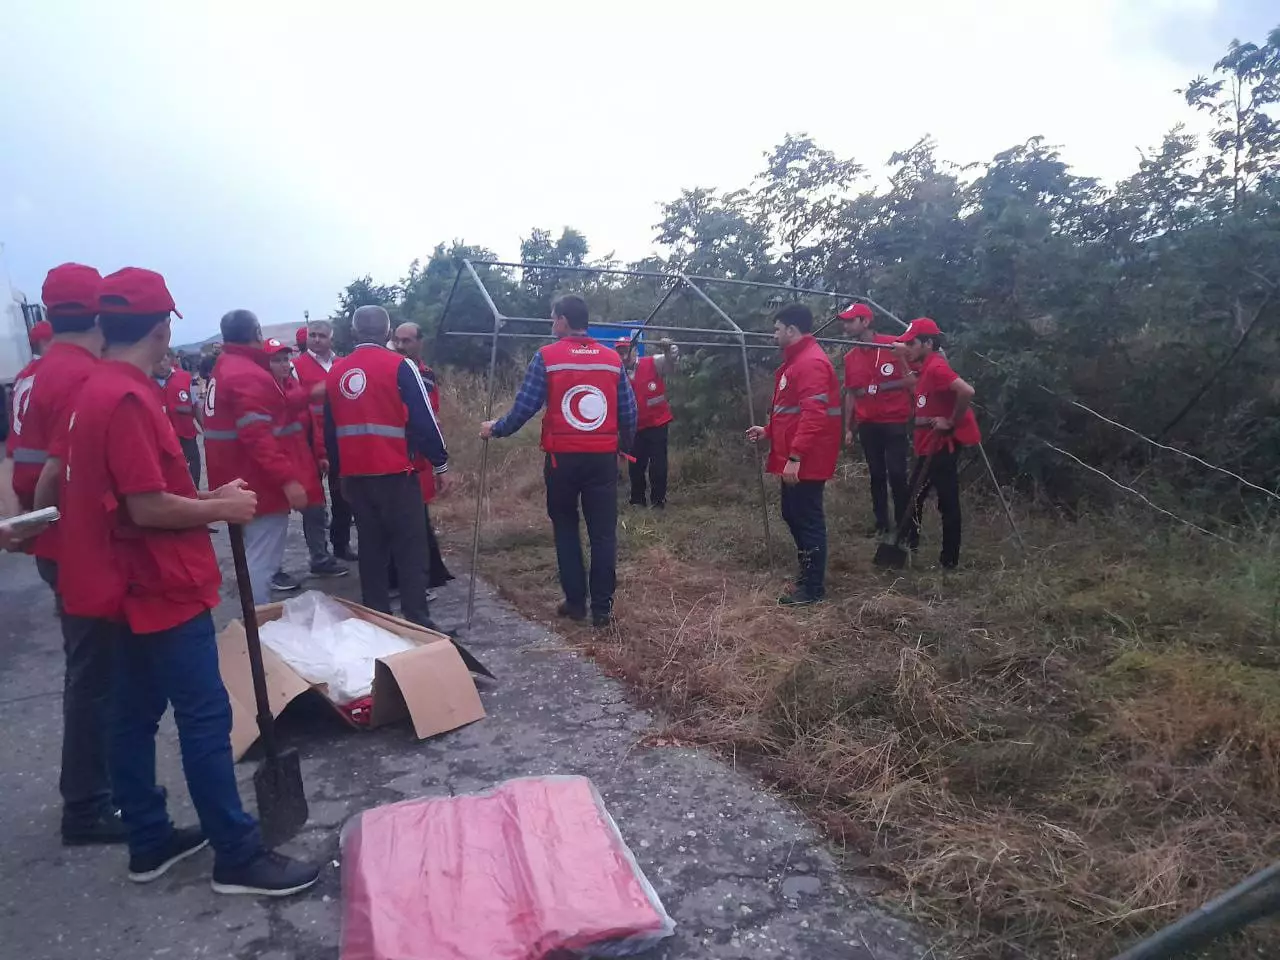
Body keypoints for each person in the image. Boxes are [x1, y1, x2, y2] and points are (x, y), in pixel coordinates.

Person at [58, 266, 318, 895]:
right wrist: (218, 509)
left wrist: (205, 494)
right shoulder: (126, 397)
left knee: (134, 714)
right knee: (204, 717)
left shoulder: (96, 389)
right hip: (158, 586)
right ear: (160, 325)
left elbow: (137, 493)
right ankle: (237, 854)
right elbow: (146, 508)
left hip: (122, 586)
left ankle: (149, 841)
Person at [13, 263, 125, 845]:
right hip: (80, 546)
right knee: (96, 675)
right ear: (101, 313)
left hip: (50, 543)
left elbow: (24, 467)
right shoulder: (85, 378)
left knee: (90, 668)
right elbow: (56, 472)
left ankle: (94, 793)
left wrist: (25, 528)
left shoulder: (34, 374)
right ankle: (87, 805)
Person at [481, 294, 637, 628]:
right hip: (602, 460)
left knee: (566, 528)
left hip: (562, 461)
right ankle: (603, 610)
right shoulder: (612, 360)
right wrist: (623, 449)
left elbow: (525, 406)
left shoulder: (547, 357)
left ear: (564, 320)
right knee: (603, 534)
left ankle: (576, 603)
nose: (552, 324)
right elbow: (629, 413)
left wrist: (496, 429)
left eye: (553, 318)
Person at [325, 306, 450, 627]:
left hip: (355, 476)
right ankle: (417, 622)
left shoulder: (337, 372)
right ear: (387, 332)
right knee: (410, 550)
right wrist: (440, 463)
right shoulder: (401, 366)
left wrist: (340, 476)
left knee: (371, 549)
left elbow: (330, 429)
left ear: (353, 333)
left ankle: (378, 621)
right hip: (396, 473)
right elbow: (424, 420)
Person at [204, 310, 309, 604]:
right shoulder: (247, 374)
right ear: (258, 333)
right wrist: (288, 480)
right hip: (257, 484)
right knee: (262, 561)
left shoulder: (225, 366)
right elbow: (259, 436)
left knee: (252, 554)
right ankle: (259, 628)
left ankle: (255, 623)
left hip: (235, 478)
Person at [746, 304, 841, 605]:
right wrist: (769, 430)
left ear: (791, 330)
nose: (773, 335)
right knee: (793, 513)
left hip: (807, 458)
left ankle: (812, 589)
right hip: (795, 454)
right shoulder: (796, 362)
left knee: (807, 517)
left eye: (776, 329)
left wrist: (796, 457)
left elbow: (814, 415)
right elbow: (791, 411)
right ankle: (807, 576)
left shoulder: (810, 363)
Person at [893, 318, 980, 569]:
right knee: (914, 495)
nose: (908, 347)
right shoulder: (926, 367)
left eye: (912, 342)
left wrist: (951, 421)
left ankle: (948, 561)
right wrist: (901, 357)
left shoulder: (936, 368)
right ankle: (911, 546)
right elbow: (912, 384)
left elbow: (967, 391)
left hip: (942, 445)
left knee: (946, 501)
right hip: (928, 443)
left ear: (928, 343)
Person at [265, 338, 346, 580]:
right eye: (276, 360)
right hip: (275, 465)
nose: (283, 365)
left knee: (317, 511)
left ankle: (319, 558)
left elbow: (312, 426)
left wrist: (320, 454)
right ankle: (272, 570)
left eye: (285, 359)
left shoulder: (292, 386)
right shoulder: (264, 394)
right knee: (272, 520)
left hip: (303, 462)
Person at [839, 302, 913, 536]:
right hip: (868, 423)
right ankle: (882, 524)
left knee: (898, 474)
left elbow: (914, 379)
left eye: (851, 320)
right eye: (845, 321)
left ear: (865, 322)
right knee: (877, 475)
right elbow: (851, 393)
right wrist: (848, 428)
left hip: (894, 421)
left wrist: (880, 387)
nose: (846, 325)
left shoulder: (893, 346)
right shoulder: (851, 357)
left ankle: (905, 525)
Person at [392, 320, 453, 589]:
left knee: (419, 510)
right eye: (398, 341)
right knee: (406, 514)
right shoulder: (390, 370)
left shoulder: (427, 374)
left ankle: (428, 569)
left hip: (420, 453)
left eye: (408, 341)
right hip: (396, 453)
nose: (402, 346)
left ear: (420, 342)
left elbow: (431, 412)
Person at [293, 319, 355, 562]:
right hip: (310, 437)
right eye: (312, 335)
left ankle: (342, 543)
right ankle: (319, 553)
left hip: (342, 435)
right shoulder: (296, 366)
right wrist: (313, 392)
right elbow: (292, 400)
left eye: (321, 336)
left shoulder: (343, 364)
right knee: (314, 497)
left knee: (343, 493)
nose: (316, 339)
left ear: (331, 338)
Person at [616, 335, 679, 509]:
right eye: (619, 350)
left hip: (657, 423)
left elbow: (670, 363)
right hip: (634, 426)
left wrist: (669, 349)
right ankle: (637, 500)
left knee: (658, 464)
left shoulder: (653, 363)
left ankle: (658, 501)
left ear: (634, 350)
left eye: (625, 350)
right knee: (635, 464)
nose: (622, 354)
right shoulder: (617, 372)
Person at [153, 348, 203, 487]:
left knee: (193, 475)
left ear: (170, 359)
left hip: (186, 437)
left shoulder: (185, 378)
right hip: (160, 441)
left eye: (164, 360)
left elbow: (196, 406)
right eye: (156, 361)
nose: (161, 364)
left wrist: (206, 428)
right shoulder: (144, 382)